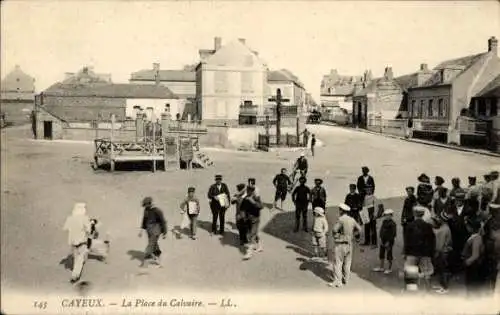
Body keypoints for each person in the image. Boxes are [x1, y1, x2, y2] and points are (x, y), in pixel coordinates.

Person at [328, 203, 362, 288]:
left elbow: (335, 229)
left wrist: (337, 236)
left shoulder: (341, 219)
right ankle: (346, 280)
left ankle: (337, 281)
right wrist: (353, 235)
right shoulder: (352, 219)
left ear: (341, 211)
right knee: (347, 263)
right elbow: (359, 229)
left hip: (341, 244)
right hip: (350, 244)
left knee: (338, 263)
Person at [403, 205, 436, 291]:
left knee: (411, 272)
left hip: (412, 253)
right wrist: (431, 254)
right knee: (427, 273)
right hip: (425, 253)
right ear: (422, 214)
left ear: (415, 214)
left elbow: (407, 241)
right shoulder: (428, 226)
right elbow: (432, 241)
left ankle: (411, 291)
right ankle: (428, 290)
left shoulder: (409, 226)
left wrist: (405, 253)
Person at [63, 203, 92, 283]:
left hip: (73, 241)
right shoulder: (84, 218)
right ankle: (75, 275)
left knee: (77, 257)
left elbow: (65, 228)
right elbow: (89, 230)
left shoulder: (70, 218)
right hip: (82, 241)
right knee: (80, 258)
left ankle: (75, 273)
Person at [139, 197, 167, 267]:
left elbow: (163, 222)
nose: (144, 206)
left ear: (149, 204)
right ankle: (159, 261)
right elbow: (144, 220)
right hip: (149, 230)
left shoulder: (157, 211)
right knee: (154, 245)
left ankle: (144, 265)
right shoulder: (146, 210)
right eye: (144, 205)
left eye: (145, 205)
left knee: (150, 246)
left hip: (156, 230)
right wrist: (141, 230)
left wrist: (164, 232)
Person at [462, 218, 487, 297]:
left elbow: (475, 255)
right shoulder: (474, 237)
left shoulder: (476, 238)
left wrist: (466, 262)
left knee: (472, 285)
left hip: (473, 266)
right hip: (472, 265)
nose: (467, 228)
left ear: (471, 228)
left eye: (468, 226)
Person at [431, 213, 453, 294]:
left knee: (443, 270)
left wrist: (436, 253)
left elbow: (439, 245)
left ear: (443, 220)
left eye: (439, 218)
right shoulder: (446, 228)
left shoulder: (443, 229)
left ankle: (445, 287)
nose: (438, 219)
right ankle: (442, 285)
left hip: (443, 252)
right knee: (442, 269)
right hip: (446, 251)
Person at [241, 185, 264, 260]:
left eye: (250, 190)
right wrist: (243, 217)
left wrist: (253, 202)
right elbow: (242, 208)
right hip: (248, 219)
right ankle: (260, 246)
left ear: (253, 191)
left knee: (251, 235)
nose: (248, 192)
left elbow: (261, 206)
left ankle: (249, 253)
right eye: (248, 190)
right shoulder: (245, 198)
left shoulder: (256, 198)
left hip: (255, 219)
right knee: (254, 233)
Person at [373, 209, 396, 274]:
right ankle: (381, 267)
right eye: (385, 215)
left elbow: (393, 234)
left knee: (389, 255)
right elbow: (381, 231)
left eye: (387, 215)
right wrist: (380, 238)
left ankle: (389, 268)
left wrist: (388, 242)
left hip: (389, 241)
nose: (386, 217)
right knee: (381, 254)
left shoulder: (393, 224)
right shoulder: (384, 222)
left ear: (391, 216)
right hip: (383, 240)